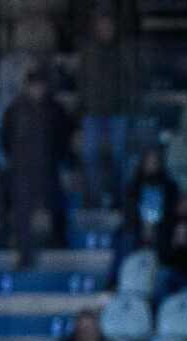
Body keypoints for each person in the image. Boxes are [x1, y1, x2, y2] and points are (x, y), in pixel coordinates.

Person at [0, 64, 66, 263]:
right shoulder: (14, 110)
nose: (37, 89)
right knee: (22, 214)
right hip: (22, 170)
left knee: (57, 206)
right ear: (27, 86)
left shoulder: (54, 109)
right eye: (33, 85)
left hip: (48, 169)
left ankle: (59, 243)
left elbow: (63, 136)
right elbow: (4, 137)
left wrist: (55, 158)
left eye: (40, 85)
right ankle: (24, 255)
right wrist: (15, 159)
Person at [77, 10, 140, 210]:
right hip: (92, 112)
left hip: (118, 112)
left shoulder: (123, 50)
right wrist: (84, 104)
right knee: (89, 154)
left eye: (109, 25)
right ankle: (94, 196)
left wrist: (126, 106)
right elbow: (82, 80)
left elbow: (130, 80)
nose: (105, 29)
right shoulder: (88, 51)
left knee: (119, 156)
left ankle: (117, 196)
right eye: (102, 25)